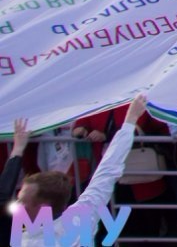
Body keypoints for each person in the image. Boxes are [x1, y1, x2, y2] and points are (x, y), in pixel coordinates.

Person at [6, 94, 149, 247]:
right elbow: (108, 169)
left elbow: (108, 170)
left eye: (22, 200)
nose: (16, 204)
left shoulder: (30, 242)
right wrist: (130, 121)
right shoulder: (82, 216)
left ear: (43, 208)